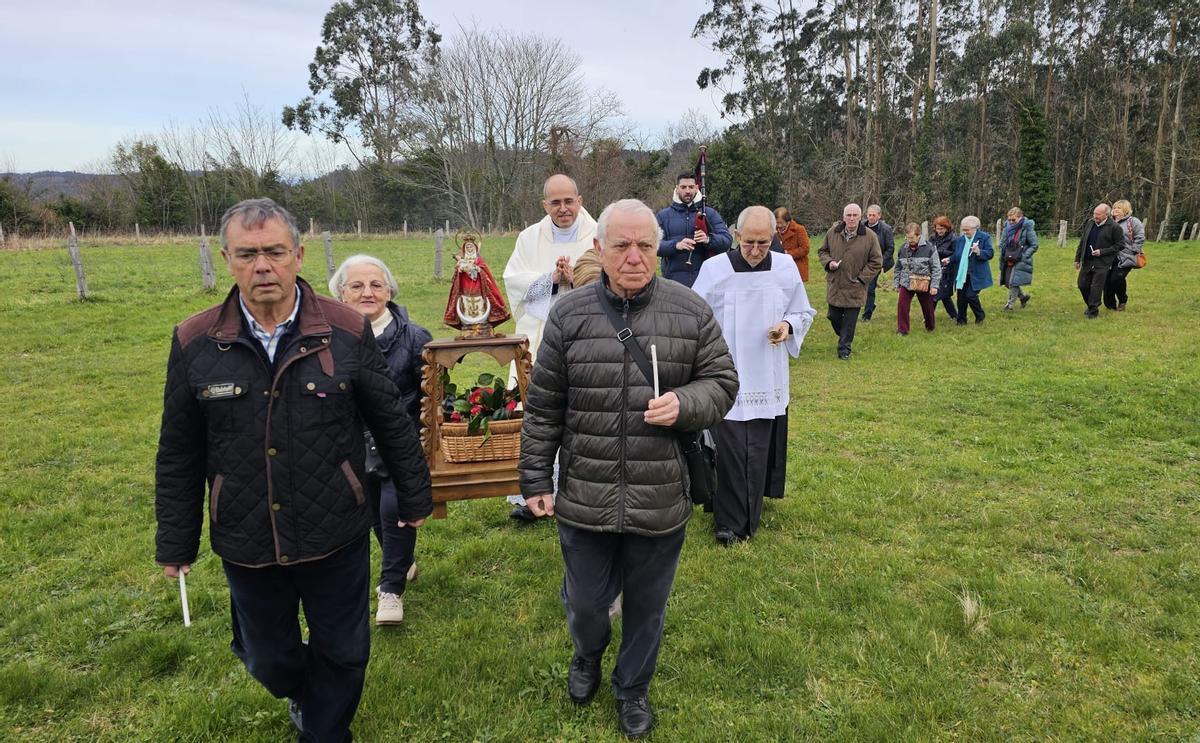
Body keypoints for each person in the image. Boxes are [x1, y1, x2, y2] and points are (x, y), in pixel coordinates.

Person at [155, 198, 432, 742]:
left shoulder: (347, 329)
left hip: (336, 527)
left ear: (298, 254)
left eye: (275, 252)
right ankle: (305, 693)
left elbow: (392, 422)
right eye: (248, 254)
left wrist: (415, 498)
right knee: (267, 657)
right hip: (246, 534)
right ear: (227, 259)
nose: (263, 266)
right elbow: (179, 449)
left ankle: (324, 730)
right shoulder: (195, 341)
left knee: (345, 651)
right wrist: (175, 540)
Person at [519, 199, 737, 738]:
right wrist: (533, 478)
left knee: (646, 608)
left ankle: (633, 688)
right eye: (622, 246)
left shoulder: (690, 311)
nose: (635, 257)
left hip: (659, 493)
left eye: (645, 245)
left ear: (658, 247)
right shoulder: (568, 316)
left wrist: (686, 404)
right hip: (584, 493)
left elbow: (723, 383)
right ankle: (587, 654)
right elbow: (544, 405)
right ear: (599, 248)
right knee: (588, 603)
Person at [692, 206, 814, 545]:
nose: (757, 251)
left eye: (764, 242)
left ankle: (748, 509)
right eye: (749, 243)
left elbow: (802, 310)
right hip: (725, 370)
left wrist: (788, 326)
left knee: (757, 446)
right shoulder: (715, 269)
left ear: (774, 236)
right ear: (736, 236)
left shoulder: (786, 266)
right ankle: (730, 522)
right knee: (728, 447)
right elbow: (695, 316)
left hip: (766, 371)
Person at [329, 255, 432, 626]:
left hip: (402, 442)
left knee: (393, 506)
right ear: (341, 294)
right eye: (356, 286)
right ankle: (400, 560)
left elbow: (432, 395)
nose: (367, 292)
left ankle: (390, 590)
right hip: (352, 444)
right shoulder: (329, 339)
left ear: (389, 291)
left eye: (376, 285)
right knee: (372, 510)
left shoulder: (416, 337)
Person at [502, 174, 598, 521]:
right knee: (535, 413)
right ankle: (529, 494)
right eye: (555, 203)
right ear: (545, 205)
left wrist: (579, 277)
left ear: (580, 200)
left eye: (568, 201)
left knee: (580, 411)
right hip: (539, 336)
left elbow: (612, 277)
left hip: (586, 334)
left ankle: (576, 491)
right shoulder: (529, 238)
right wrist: (551, 279)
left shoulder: (598, 234)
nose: (563, 209)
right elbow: (513, 281)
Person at [818, 203, 883, 360]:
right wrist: (829, 263)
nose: (852, 218)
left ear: (860, 217)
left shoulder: (869, 236)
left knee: (849, 320)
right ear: (843, 217)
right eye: (849, 215)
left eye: (855, 215)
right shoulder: (833, 233)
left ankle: (844, 350)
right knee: (833, 316)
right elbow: (822, 251)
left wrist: (861, 279)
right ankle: (844, 336)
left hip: (855, 286)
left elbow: (876, 261)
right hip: (836, 284)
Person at [655, 172, 733, 287]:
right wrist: (676, 245)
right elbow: (652, 246)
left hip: (706, 281)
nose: (687, 191)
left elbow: (727, 241)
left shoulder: (710, 213)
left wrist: (708, 239)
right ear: (677, 189)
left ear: (696, 188)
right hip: (672, 284)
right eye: (683, 187)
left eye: (691, 187)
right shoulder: (663, 216)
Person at [444, 234, 509, 330]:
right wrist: (460, 269)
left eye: (471, 246)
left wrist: (476, 269)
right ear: (464, 248)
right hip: (465, 286)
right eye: (467, 247)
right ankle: (468, 325)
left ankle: (481, 324)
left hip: (478, 286)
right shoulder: (462, 260)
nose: (469, 248)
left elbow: (483, 270)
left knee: (480, 303)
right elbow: (456, 275)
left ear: (474, 247)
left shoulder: (478, 259)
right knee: (466, 303)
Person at [1074, 203, 1124, 318]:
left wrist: (1102, 252)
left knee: (1096, 287)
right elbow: (1083, 241)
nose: (1095, 216)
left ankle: (1093, 311)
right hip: (1087, 261)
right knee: (1082, 285)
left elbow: (1120, 245)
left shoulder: (1114, 228)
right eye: (1094, 214)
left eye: (1098, 215)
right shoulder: (1090, 223)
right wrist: (1077, 258)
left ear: (1106, 215)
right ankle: (1091, 305)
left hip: (1102, 263)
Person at [892, 222, 942, 334]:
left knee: (928, 307)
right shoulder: (903, 249)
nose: (910, 240)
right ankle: (902, 330)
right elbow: (898, 267)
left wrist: (934, 286)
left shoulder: (930, 248)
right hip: (906, 282)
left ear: (919, 235)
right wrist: (896, 284)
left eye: (912, 238)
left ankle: (930, 327)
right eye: (908, 237)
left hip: (924, 283)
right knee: (902, 305)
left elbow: (936, 268)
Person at [949, 216, 994, 325]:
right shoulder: (960, 240)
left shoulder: (984, 237)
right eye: (963, 229)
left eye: (967, 230)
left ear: (975, 228)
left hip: (976, 274)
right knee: (961, 298)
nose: (965, 232)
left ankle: (980, 316)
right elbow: (957, 255)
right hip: (962, 273)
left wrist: (979, 252)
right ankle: (961, 320)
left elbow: (990, 253)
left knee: (970, 295)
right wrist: (949, 259)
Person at [1105, 199, 1145, 311]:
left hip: (1126, 256)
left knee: (1116, 278)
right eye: (1114, 208)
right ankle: (1110, 306)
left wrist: (1133, 251)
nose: (1115, 210)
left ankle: (1122, 301)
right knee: (1106, 281)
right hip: (1109, 256)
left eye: (1119, 208)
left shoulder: (1133, 222)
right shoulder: (1107, 222)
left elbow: (1140, 237)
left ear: (1126, 210)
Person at [998, 207, 1038, 310]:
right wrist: (1001, 253)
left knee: (1013, 282)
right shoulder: (1007, 227)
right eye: (1009, 219)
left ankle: (1009, 305)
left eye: (1013, 220)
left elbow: (1034, 245)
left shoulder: (1027, 227)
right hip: (1007, 257)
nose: (1011, 222)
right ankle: (1023, 297)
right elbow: (1002, 242)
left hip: (1020, 258)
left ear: (1020, 218)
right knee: (1007, 282)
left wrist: (1024, 256)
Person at [860, 204, 895, 322]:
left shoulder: (886, 229)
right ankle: (869, 305)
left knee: (870, 288)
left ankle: (867, 315)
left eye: (873, 215)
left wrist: (880, 262)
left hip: (876, 263)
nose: (871, 217)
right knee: (860, 286)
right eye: (869, 215)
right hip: (861, 261)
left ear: (879, 216)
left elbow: (890, 248)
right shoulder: (861, 226)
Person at [929, 216, 958, 321]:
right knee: (943, 295)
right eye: (937, 229)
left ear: (947, 227)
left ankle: (929, 316)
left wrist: (940, 252)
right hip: (935, 268)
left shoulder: (954, 238)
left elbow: (956, 254)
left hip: (948, 269)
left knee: (937, 293)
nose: (939, 231)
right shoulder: (932, 238)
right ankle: (954, 316)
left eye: (942, 229)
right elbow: (929, 250)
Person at [773, 206, 812, 282]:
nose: (779, 225)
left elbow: (805, 249)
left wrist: (786, 253)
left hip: (796, 269)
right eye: (776, 222)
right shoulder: (773, 232)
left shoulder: (799, 229)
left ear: (788, 221)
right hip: (779, 270)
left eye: (781, 222)